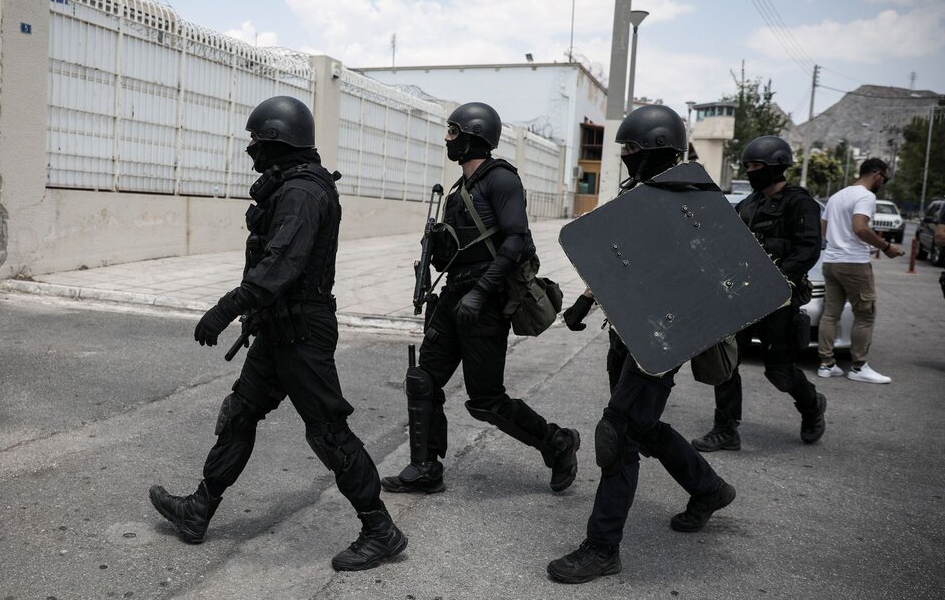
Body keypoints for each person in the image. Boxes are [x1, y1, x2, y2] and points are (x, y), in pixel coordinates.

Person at [148, 96, 407, 572]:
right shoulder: (291, 185)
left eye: (256, 140)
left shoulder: (303, 192)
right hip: (278, 328)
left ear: (278, 141)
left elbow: (280, 266)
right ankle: (199, 509)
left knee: (329, 434)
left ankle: (380, 531)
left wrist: (224, 309)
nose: (250, 148)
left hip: (302, 334)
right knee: (240, 413)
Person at [548, 105, 735, 584]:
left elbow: (717, 274)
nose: (626, 155)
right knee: (643, 427)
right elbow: (620, 258)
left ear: (657, 149)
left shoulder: (694, 200)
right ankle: (708, 488)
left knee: (617, 433)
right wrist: (585, 301)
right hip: (627, 329)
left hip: (665, 334)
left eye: (632, 148)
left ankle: (602, 547)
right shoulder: (635, 193)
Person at [380, 102, 580, 496]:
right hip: (454, 295)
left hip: (483, 301)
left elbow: (516, 240)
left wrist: (480, 292)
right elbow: (458, 251)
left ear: (474, 135)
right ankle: (425, 467)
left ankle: (557, 443)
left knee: (486, 400)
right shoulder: (460, 189)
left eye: (453, 132)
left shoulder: (501, 179)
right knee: (423, 380)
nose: (447, 139)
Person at [691, 136, 827, 452]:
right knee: (726, 362)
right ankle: (726, 429)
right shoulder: (748, 205)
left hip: (779, 301)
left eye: (757, 166)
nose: (751, 171)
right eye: (748, 166)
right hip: (742, 297)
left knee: (779, 372)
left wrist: (775, 279)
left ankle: (812, 406)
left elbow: (808, 250)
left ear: (776, 166)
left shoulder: (800, 203)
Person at [817, 158, 904, 383]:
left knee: (830, 314)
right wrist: (886, 247)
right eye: (884, 179)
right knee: (865, 314)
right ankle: (858, 367)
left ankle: (826, 364)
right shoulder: (866, 196)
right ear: (876, 174)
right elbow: (860, 228)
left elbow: (823, 231)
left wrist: (839, 241)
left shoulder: (837, 196)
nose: (883, 183)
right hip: (853, 262)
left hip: (831, 261)